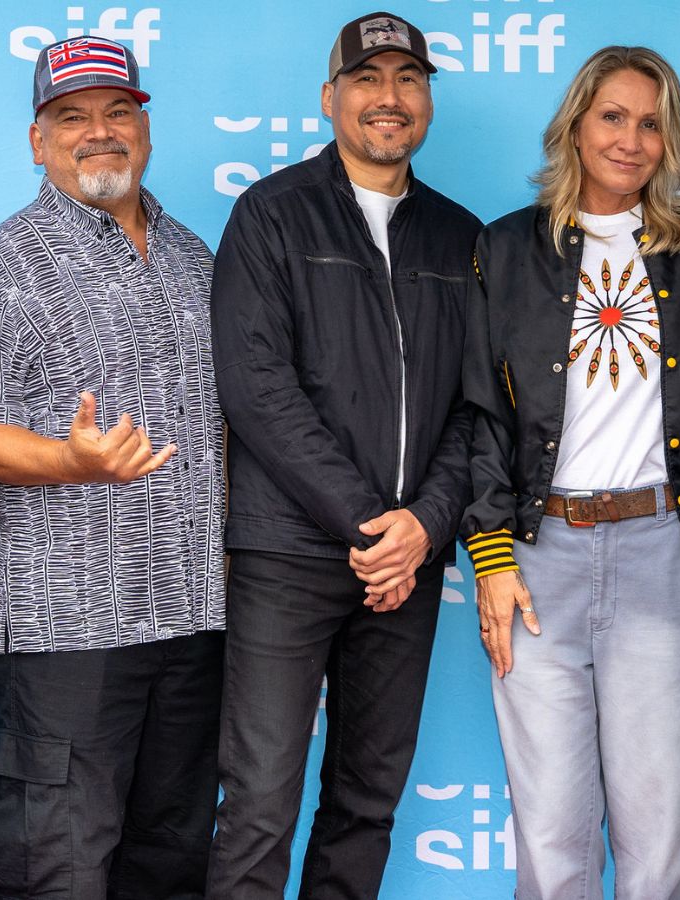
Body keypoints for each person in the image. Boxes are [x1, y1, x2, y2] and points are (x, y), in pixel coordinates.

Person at [460, 46, 680, 899]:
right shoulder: (505, 248)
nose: (631, 140)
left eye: (651, 123)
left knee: (663, 830)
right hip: (536, 557)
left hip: (663, 554)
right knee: (550, 832)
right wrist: (489, 557)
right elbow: (481, 414)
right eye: (613, 117)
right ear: (575, 125)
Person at [205, 11, 480, 898]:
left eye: (407, 79)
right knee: (258, 799)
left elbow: (480, 409)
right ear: (331, 98)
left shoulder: (460, 237)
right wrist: (374, 528)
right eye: (368, 79)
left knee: (368, 800)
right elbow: (256, 392)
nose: (388, 98)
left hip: (409, 562)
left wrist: (423, 527)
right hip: (289, 555)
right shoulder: (271, 215)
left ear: (428, 100)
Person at [0, 36, 225, 900]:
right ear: (38, 139)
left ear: (145, 128)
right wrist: (71, 462)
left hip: (197, 622)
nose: (98, 132)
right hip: (65, 635)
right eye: (72, 117)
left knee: (173, 867)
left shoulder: (196, 257)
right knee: (56, 873)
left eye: (117, 112)